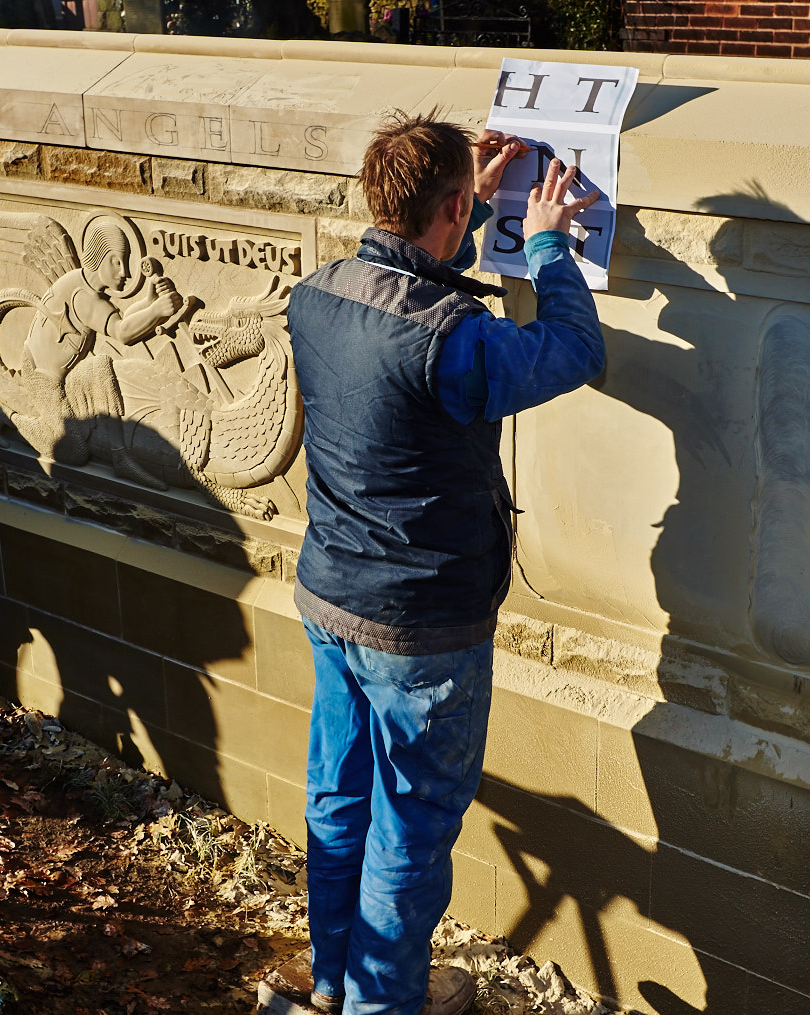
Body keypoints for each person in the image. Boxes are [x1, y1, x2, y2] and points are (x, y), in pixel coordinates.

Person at [260, 113, 605, 1015]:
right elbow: (575, 351)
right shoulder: (453, 341)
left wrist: (473, 204)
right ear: (451, 204)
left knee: (339, 802)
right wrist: (546, 246)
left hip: (330, 594)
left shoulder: (317, 293)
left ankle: (333, 984)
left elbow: (398, 289)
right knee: (408, 839)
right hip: (422, 629)